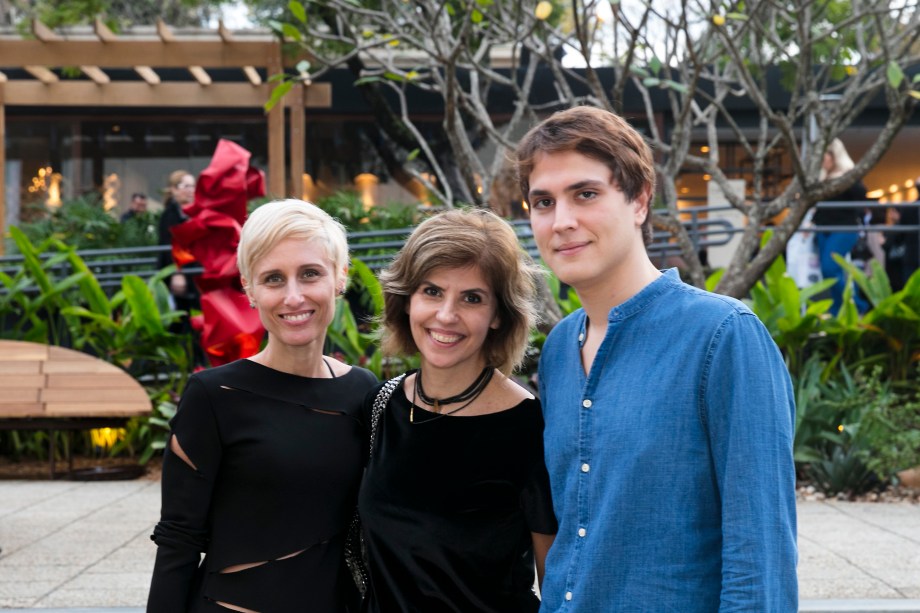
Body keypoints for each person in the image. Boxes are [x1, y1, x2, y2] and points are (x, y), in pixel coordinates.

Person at [514, 106, 797, 612]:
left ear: (640, 200)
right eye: (543, 202)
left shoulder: (723, 337)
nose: (562, 221)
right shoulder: (558, 348)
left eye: (586, 194)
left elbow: (761, 560)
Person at [148, 199, 379, 612]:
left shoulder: (364, 392)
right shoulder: (213, 396)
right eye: (273, 279)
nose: (293, 296)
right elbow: (178, 542)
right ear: (250, 289)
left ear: (340, 279)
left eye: (310, 274)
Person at [358, 208, 557, 612]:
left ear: (499, 315)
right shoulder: (382, 405)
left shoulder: (527, 427)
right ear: (407, 299)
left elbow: (555, 581)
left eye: (472, 298)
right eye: (432, 291)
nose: (446, 316)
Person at [811, 138, 870, 312]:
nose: (822, 160)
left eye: (825, 156)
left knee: (830, 268)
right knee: (828, 271)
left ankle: (857, 305)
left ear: (835, 156)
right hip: (823, 229)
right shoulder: (823, 177)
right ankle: (838, 309)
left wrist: (848, 178)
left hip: (844, 229)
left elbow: (862, 194)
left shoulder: (848, 175)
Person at [158, 170, 199, 310]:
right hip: (180, 275)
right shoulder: (169, 215)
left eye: (192, 186)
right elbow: (168, 247)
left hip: (196, 273)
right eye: (185, 186)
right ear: (174, 190)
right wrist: (177, 273)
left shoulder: (197, 213)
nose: (190, 190)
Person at [884, 178, 920, 292]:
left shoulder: (910, 208)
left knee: (910, 292)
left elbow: (900, 234)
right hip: (912, 257)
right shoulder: (910, 209)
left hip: (912, 257)